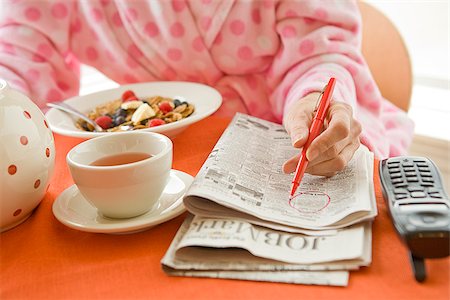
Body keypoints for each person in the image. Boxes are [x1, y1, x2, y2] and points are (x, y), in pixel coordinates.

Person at [0, 0, 413, 177]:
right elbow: (18, 65)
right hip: (164, 156)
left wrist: (312, 101)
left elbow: (319, 47)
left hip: (289, 141)